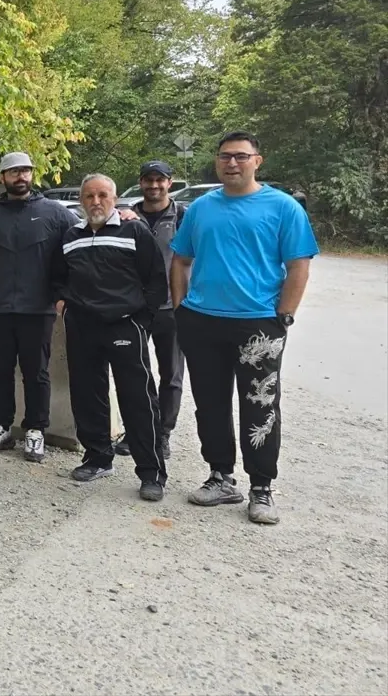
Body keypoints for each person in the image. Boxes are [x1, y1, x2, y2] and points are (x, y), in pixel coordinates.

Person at [171, 131, 318, 525]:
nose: (231, 163)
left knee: (260, 405)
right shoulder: (201, 208)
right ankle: (220, 476)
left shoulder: (283, 208)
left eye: (240, 156)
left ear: (258, 160)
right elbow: (181, 260)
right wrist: (180, 307)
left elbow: (299, 265)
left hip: (258, 326)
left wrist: (284, 315)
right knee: (210, 403)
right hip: (202, 322)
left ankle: (261, 487)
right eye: (224, 157)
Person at [52, 175, 168, 501]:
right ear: (81, 200)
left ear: (114, 199)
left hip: (124, 326)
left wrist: (142, 321)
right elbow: (58, 277)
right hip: (82, 328)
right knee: (88, 396)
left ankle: (151, 472)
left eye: (103, 195)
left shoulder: (134, 231)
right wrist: (64, 303)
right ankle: (98, 457)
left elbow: (156, 279)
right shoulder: (70, 236)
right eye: (89, 196)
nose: (96, 202)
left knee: (138, 399)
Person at [0, 152, 76, 463]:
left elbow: (84, 237)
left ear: (32, 174)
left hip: (38, 308)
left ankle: (35, 430)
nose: (20, 176)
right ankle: (0, 426)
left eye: (25, 170)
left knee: (36, 373)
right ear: (2, 178)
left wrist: (124, 217)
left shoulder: (55, 212)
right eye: (13, 172)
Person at [115, 160, 186, 460]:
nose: (154, 185)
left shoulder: (184, 216)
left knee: (171, 375)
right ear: (141, 182)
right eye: (148, 180)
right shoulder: (126, 216)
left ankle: (163, 433)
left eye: (160, 180)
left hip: (172, 308)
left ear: (170, 183)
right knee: (135, 373)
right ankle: (137, 430)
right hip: (135, 308)